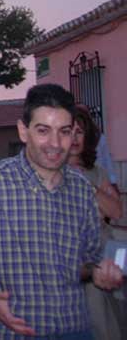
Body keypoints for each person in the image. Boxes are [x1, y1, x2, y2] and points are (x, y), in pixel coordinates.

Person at [0, 84, 124, 339]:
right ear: (23, 131)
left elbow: (84, 263)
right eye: (43, 131)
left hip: (74, 329)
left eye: (65, 132)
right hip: (7, 332)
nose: (56, 144)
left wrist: (99, 272)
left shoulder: (81, 188)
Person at [68, 105, 124, 340]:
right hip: (70, 258)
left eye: (79, 131)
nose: (73, 138)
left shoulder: (95, 172)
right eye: (68, 131)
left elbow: (116, 211)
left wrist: (87, 186)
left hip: (99, 253)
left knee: (103, 321)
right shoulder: (50, 172)